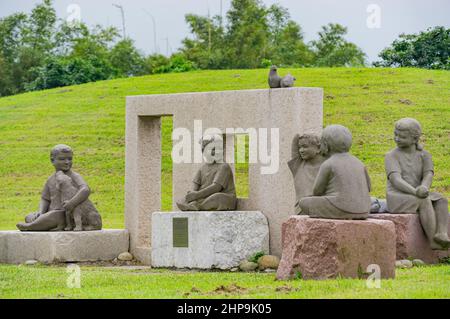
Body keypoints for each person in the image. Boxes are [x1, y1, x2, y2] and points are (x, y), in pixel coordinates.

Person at [385, 118, 450, 249]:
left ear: (415, 139)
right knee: (424, 200)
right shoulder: (391, 156)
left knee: (441, 200)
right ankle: (432, 241)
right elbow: (396, 180)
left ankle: (441, 234)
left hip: (417, 192)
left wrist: (424, 187)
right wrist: (415, 191)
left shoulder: (424, 155)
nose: (397, 138)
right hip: (397, 196)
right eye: (395, 134)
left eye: (402, 136)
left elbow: (428, 174)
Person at [16, 144, 102, 231]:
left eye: (70, 159)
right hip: (51, 212)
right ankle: (37, 222)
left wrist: (72, 203)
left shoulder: (74, 176)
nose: (67, 162)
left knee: (55, 216)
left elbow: (85, 190)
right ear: (52, 160)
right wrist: (40, 212)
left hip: (65, 214)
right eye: (62, 159)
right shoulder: (50, 179)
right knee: (30, 217)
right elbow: (45, 199)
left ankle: (30, 226)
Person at [298, 125, 372, 219]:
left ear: (326, 145)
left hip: (340, 208)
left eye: (322, 144)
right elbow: (369, 187)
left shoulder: (328, 164)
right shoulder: (360, 163)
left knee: (303, 202)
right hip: (364, 209)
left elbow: (317, 191)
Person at [176, 134, 237, 211]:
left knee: (217, 197)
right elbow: (195, 186)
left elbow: (216, 187)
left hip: (225, 197)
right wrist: (192, 195)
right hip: (203, 197)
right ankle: (194, 205)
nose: (213, 151)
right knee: (188, 198)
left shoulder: (224, 167)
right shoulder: (202, 168)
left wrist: (197, 195)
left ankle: (198, 206)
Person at [287, 133, 324, 214]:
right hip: (301, 212)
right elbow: (295, 140)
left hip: (321, 211)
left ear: (318, 148)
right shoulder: (298, 165)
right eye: (300, 147)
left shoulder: (327, 166)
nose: (301, 150)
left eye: (305, 146)